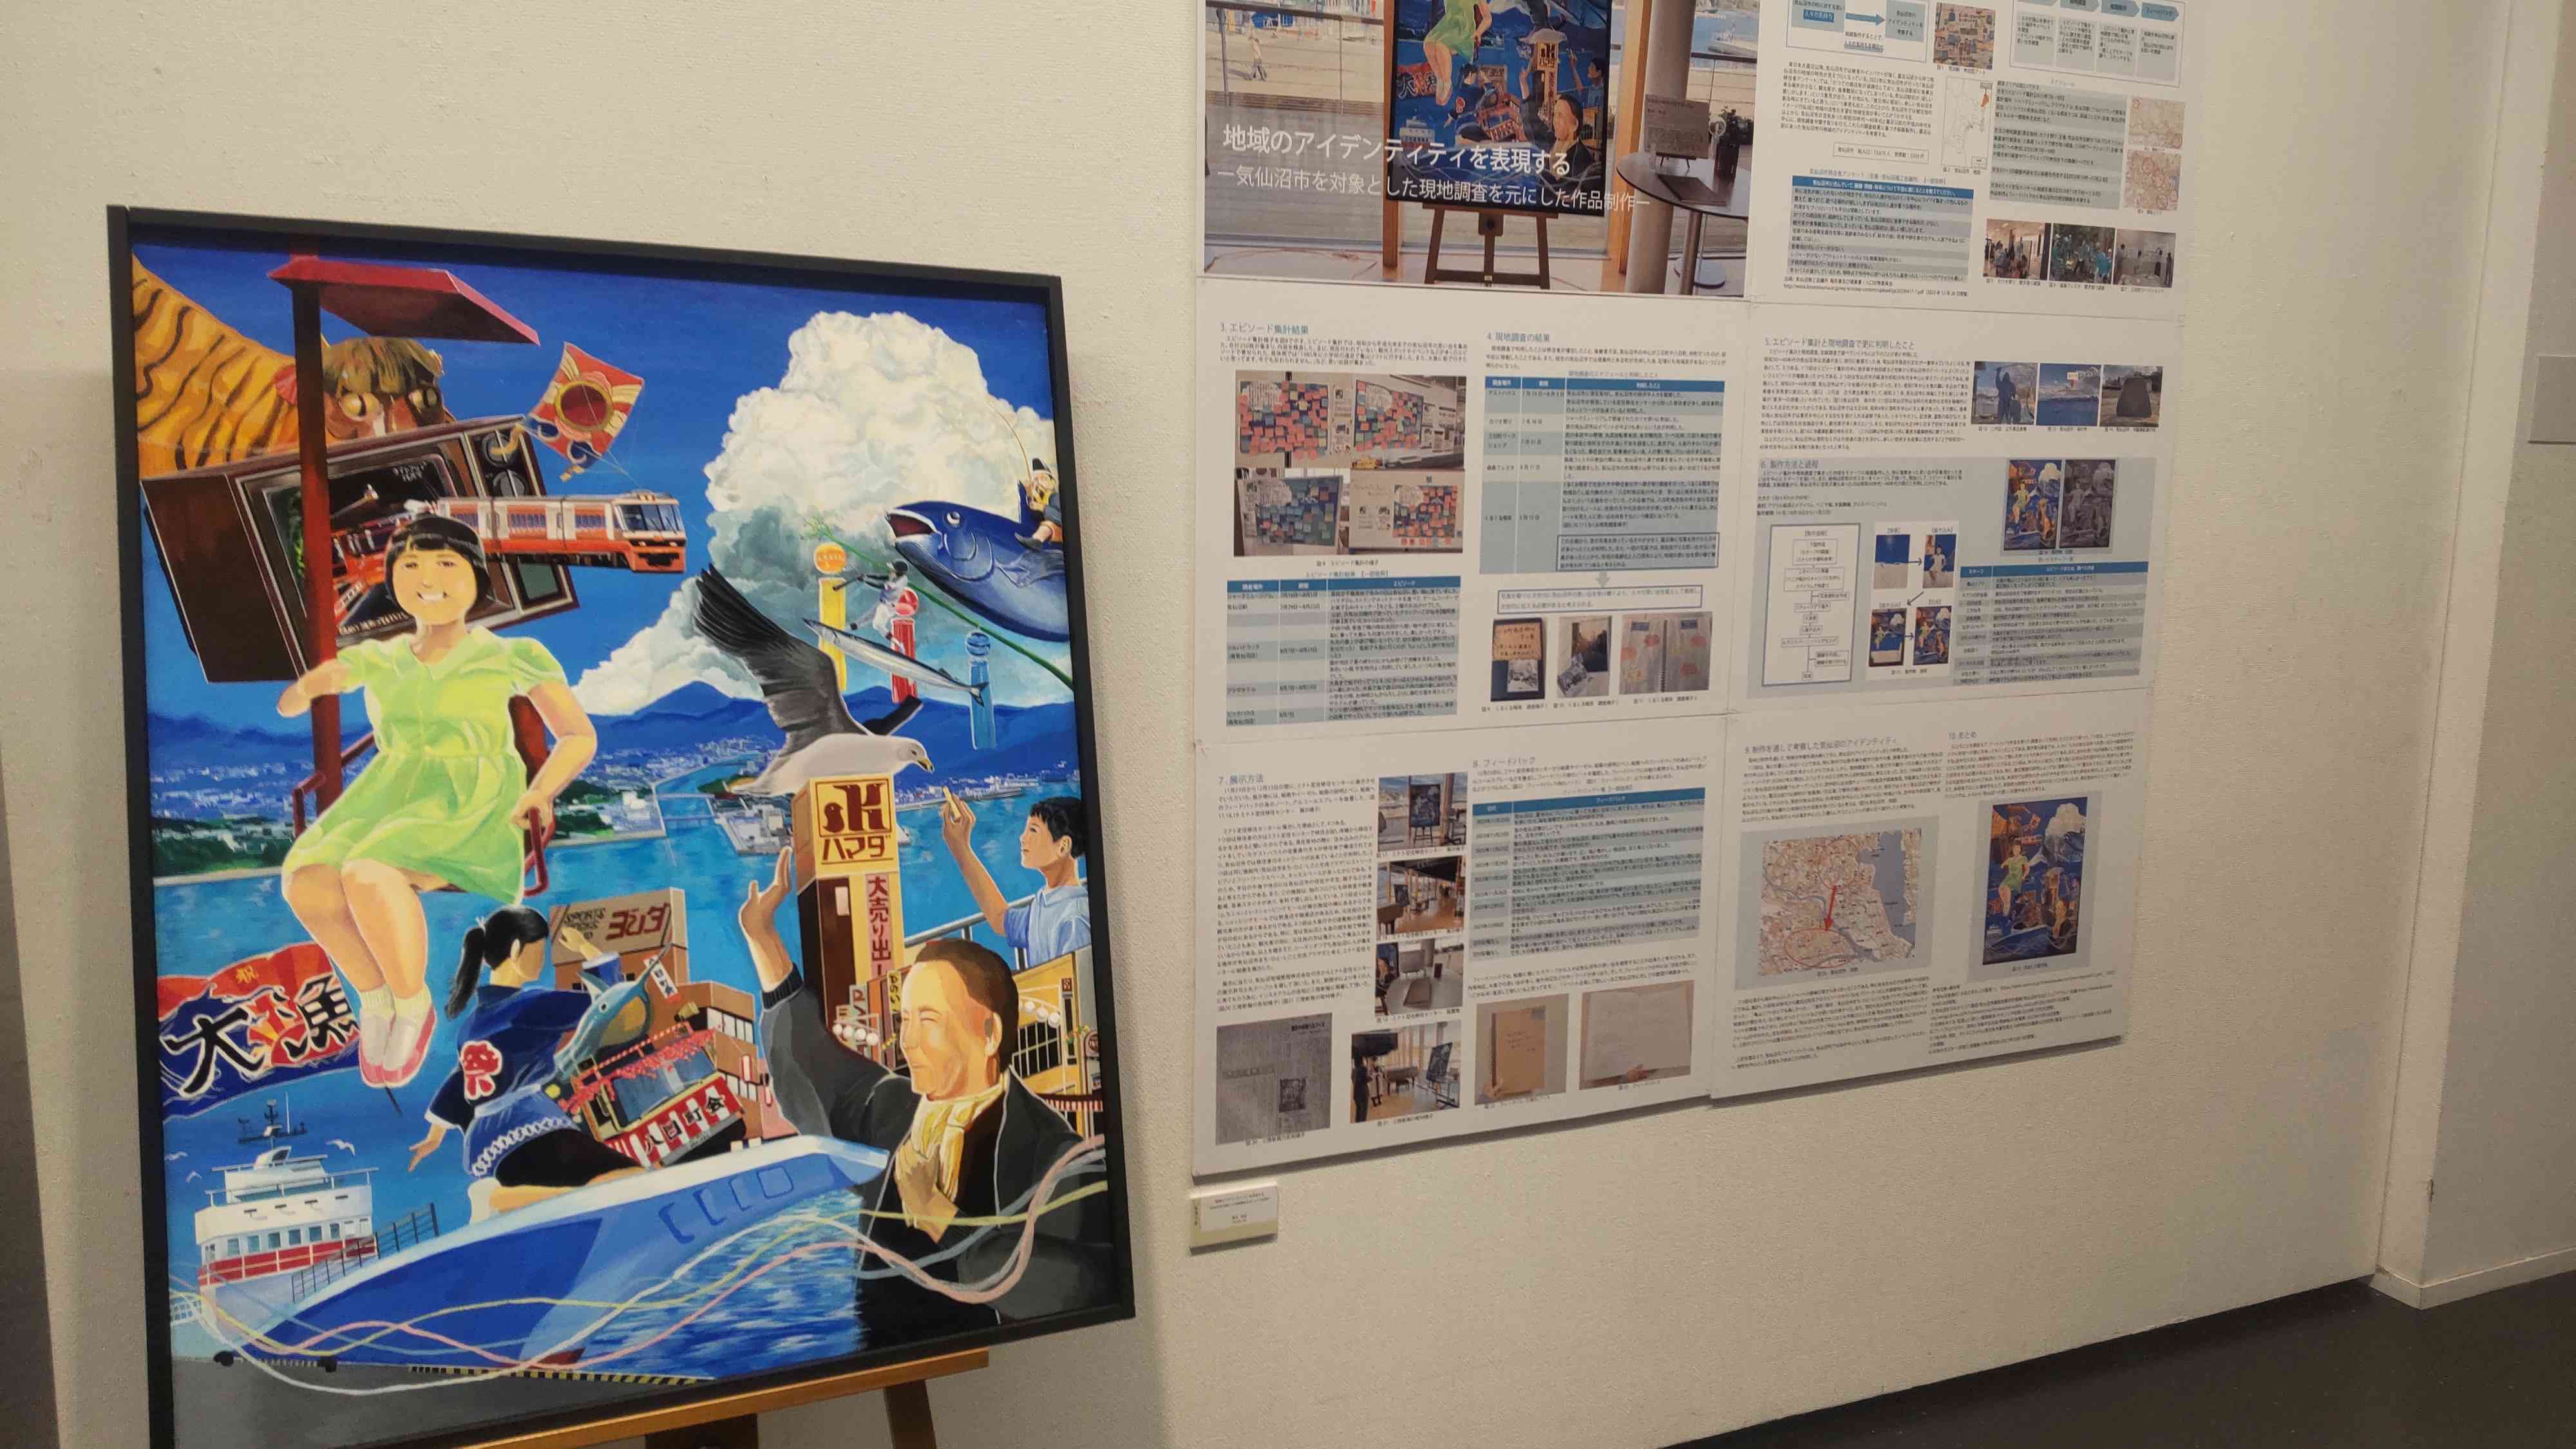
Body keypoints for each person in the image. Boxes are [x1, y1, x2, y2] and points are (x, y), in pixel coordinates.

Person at [278, 514, 596, 1089]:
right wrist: (307, 688)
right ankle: (376, 998)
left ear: (476, 578)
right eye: (411, 567)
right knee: (306, 882)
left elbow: (579, 735)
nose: (428, 580)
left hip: (472, 798)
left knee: (368, 873)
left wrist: (540, 791)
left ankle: (412, 1003)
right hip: (389, 791)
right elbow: (322, 682)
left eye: (446, 565)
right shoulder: (383, 655)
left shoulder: (511, 654)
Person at [738, 855, 1110, 1336]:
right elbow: (818, 1078)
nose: (907, 1041)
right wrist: (763, 939)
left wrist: (937, 1213)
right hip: (874, 1346)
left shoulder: (1054, 1156)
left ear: (990, 1034)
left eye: (928, 1021)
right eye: (905, 1021)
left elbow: (1072, 1289)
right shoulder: (895, 1108)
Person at [407, 913, 641, 1220]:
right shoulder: (531, 1005)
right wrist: (585, 948)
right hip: (529, 1127)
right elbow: (610, 1004)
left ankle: (504, 1196)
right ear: (517, 949)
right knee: (629, 1178)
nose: (541, 962)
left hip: (491, 1140)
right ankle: (498, 1198)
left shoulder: (472, 1025)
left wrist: (435, 1135)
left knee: (597, 1186)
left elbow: (461, 1080)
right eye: (539, 951)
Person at [940, 793, 1091, 963]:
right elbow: (1000, 919)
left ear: (1063, 847)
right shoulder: (1045, 902)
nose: (1022, 838)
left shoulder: (1075, 920)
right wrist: (961, 848)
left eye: (1033, 830)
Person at [1423, 0, 1488, 107]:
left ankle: (1447, 83)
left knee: (1441, 46)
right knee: (1428, 45)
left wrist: (1478, 32)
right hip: (1446, 27)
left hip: (1464, 31)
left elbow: (1488, 18)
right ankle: (1440, 78)